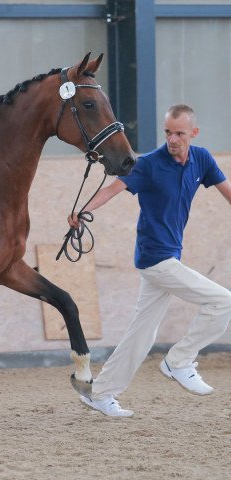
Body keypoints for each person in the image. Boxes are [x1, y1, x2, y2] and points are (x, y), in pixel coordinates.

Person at [68, 104, 231, 417]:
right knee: (223, 301)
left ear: (193, 133)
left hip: (169, 256)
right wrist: (82, 210)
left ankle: (100, 394)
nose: (172, 138)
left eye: (179, 133)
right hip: (156, 260)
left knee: (142, 334)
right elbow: (113, 189)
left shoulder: (202, 160)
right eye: (168, 132)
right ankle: (179, 361)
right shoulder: (149, 165)